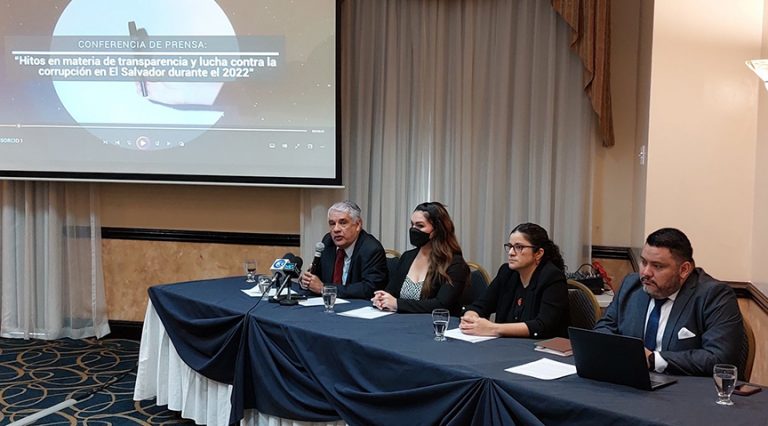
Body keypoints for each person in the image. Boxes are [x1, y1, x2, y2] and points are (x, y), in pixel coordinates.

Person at [594, 228, 745, 376]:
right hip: (631, 381)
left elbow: (720, 358)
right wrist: (618, 350)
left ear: (684, 270)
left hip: (684, 387)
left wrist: (653, 360)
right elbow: (604, 327)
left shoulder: (714, 296)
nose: (646, 272)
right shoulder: (631, 285)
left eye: (657, 266)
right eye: (644, 262)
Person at [459, 223, 569, 339]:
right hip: (507, 344)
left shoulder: (552, 277)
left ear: (538, 253)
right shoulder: (507, 273)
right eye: (510, 246)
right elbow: (480, 305)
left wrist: (493, 328)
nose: (511, 252)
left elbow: (542, 326)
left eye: (519, 247)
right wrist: (471, 317)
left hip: (542, 346)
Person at [371, 202, 469, 316]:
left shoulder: (454, 264)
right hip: (400, 320)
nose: (413, 229)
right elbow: (391, 291)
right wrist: (382, 298)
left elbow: (442, 304)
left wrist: (398, 304)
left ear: (436, 230)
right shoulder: (407, 257)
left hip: (433, 323)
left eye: (420, 226)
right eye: (412, 224)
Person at [299, 201, 388, 299]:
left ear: (358, 225)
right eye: (332, 224)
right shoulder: (328, 242)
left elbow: (370, 289)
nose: (336, 229)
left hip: (357, 306)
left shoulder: (371, 249)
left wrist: (325, 288)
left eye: (342, 223)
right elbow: (317, 277)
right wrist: (307, 281)